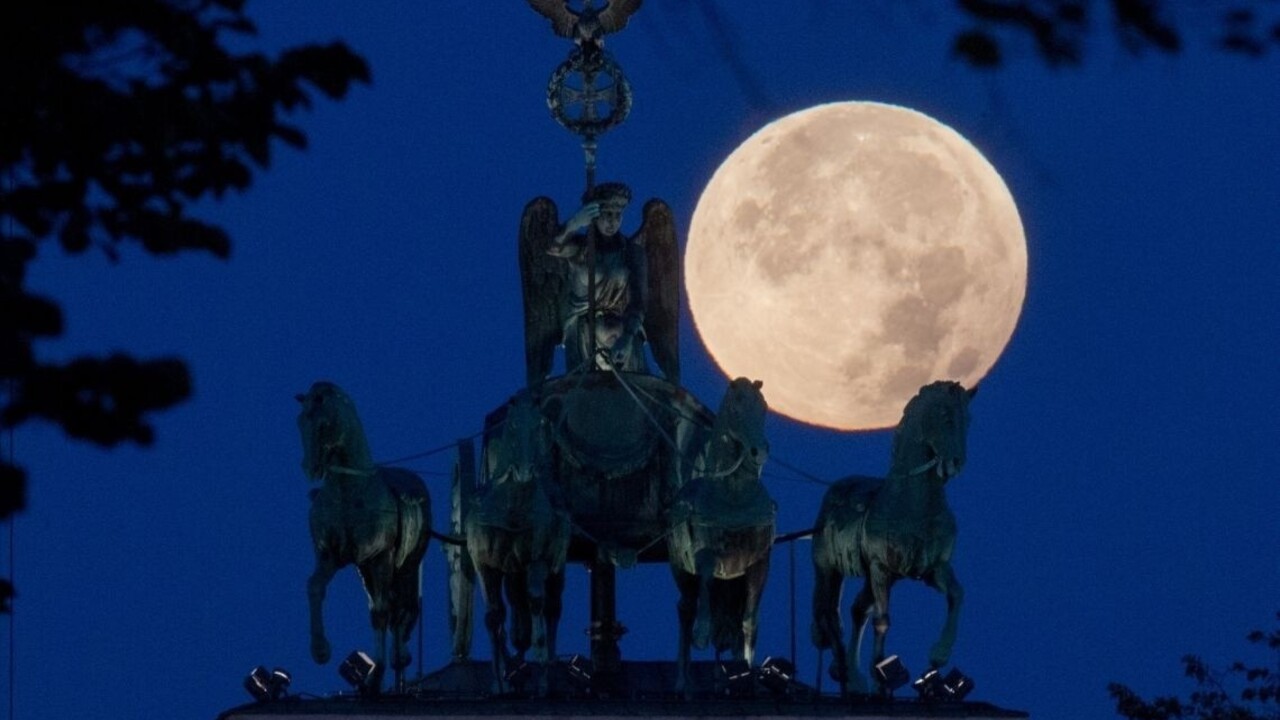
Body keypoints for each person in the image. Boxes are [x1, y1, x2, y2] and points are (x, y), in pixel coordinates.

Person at [546, 181, 649, 374]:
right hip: (584, 333)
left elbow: (639, 302)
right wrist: (575, 222)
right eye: (607, 214)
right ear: (594, 216)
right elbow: (552, 248)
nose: (612, 221)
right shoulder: (579, 249)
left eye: (617, 215)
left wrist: (627, 338)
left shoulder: (633, 253)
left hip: (623, 332)